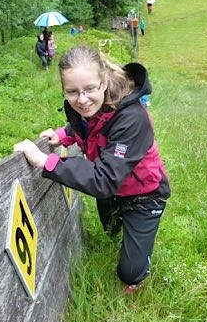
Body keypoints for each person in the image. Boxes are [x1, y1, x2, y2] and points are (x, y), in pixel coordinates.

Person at [13, 46, 171, 294]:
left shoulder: (132, 119)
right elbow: (86, 128)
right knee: (109, 230)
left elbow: (103, 179)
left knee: (129, 272)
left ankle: (140, 267)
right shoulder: (92, 108)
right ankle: (123, 228)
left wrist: (46, 162)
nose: (82, 99)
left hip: (144, 193)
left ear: (104, 82)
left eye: (89, 89)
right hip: (114, 189)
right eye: (72, 92)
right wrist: (62, 135)